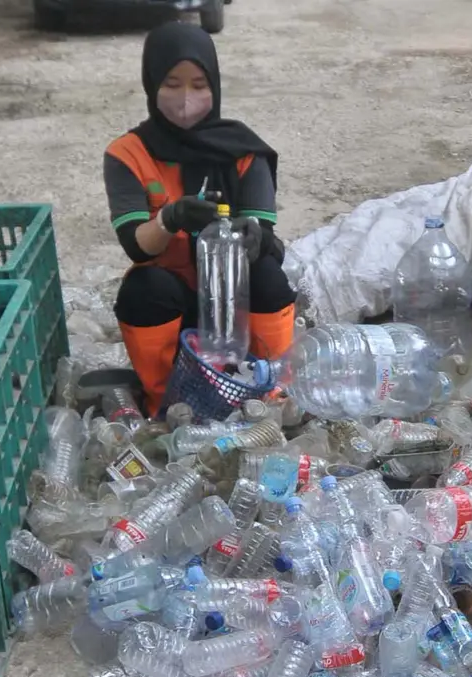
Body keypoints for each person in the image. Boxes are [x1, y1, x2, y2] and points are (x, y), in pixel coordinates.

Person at [104, 22, 295, 414]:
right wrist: (170, 218)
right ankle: (164, 401)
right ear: (151, 83)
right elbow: (133, 244)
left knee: (268, 275)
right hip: (173, 304)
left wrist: (252, 235)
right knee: (143, 288)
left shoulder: (243, 150)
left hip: (231, 306)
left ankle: (270, 394)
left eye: (198, 84)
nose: (185, 98)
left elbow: (264, 229)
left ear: (215, 85)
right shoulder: (129, 154)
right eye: (172, 84)